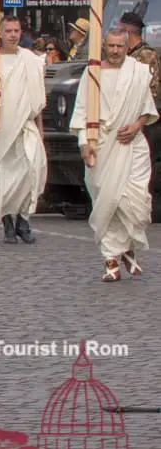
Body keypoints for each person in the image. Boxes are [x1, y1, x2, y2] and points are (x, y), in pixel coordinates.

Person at [69, 28, 159, 282]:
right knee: (107, 201)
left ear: (127, 45)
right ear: (105, 46)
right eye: (111, 46)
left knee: (135, 203)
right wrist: (84, 143)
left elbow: (146, 109)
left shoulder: (138, 72)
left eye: (121, 46)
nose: (116, 51)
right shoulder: (92, 72)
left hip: (132, 146)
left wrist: (136, 126)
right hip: (102, 144)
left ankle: (127, 247)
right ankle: (111, 258)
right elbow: (83, 111)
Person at [0, 16, 47, 244]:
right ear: (0, 33)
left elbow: (38, 98)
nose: (13, 35)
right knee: (4, 176)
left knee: (31, 171)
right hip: (1, 127)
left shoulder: (30, 60)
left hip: (25, 126)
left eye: (17, 30)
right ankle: (8, 223)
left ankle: (24, 220)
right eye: (9, 31)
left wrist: (40, 128)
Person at [117, 11, 160, 97]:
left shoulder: (146, 55)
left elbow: (152, 90)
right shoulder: (127, 53)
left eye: (119, 30)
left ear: (126, 31)